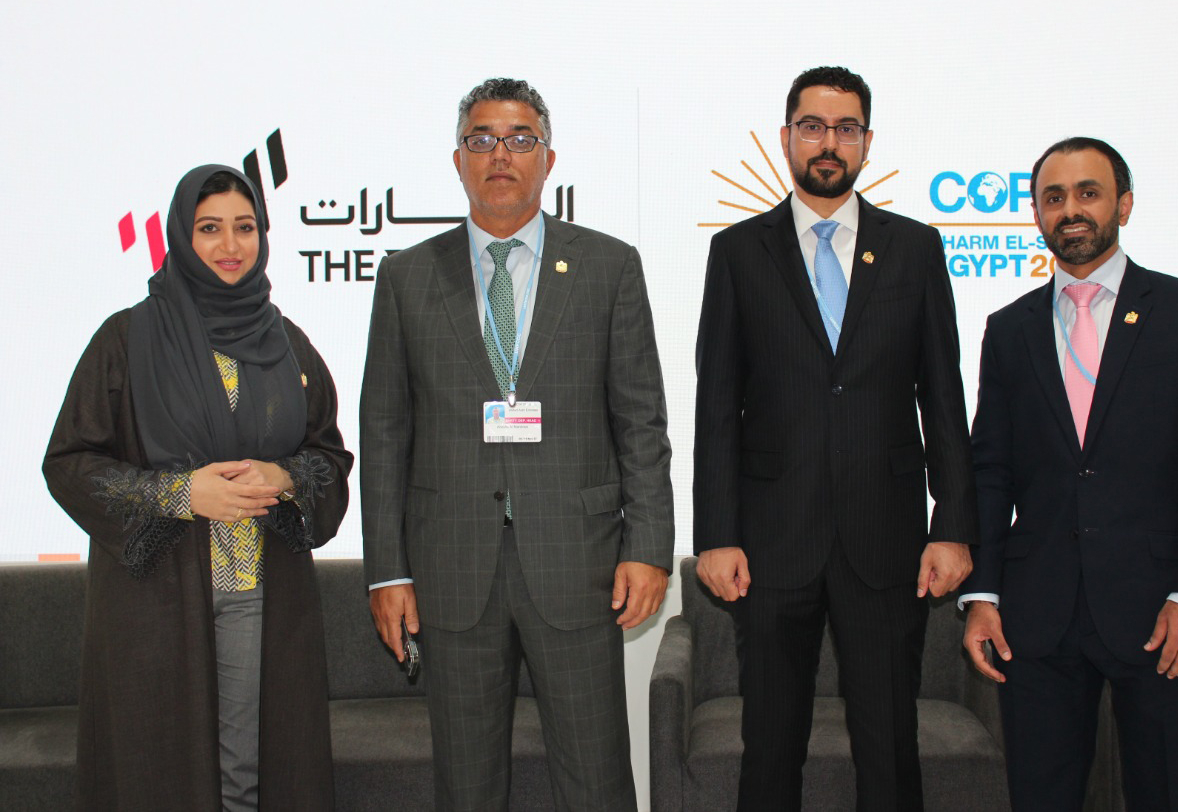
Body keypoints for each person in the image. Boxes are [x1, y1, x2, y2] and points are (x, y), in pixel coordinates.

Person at [361, 78, 674, 811]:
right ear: (458, 160)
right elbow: (384, 432)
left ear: (548, 158)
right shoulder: (407, 276)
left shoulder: (608, 267)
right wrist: (386, 571)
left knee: (596, 780)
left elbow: (640, 421)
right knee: (467, 786)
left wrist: (649, 545)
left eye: (520, 139)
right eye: (482, 139)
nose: (500, 154)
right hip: (450, 567)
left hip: (578, 561)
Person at [693, 66, 979, 812]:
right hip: (771, 543)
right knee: (769, 748)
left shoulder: (915, 248)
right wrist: (716, 534)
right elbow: (717, 405)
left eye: (845, 128)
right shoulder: (738, 252)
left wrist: (953, 525)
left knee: (890, 750)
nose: (829, 142)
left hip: (886, 540)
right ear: (786, 137)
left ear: (867, 142)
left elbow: (942, 397)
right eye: (813, 127)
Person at [44, 165, 352, 811]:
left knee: (248, 774)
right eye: (209, 228)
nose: (230, 245)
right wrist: (182, 494)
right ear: (181, 237)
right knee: (158, 770)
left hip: (259, 594)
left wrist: (284, 477)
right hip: (155, 602)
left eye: (245, 227)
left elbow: (328, 452)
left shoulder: (287, 343)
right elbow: (69, 462)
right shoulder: (126, 339)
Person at [959, 137, 1178, 812]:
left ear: (1123, 204)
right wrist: (983, 593)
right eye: (1053, 197)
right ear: (1036, 214)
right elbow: (990, 472)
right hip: (1036, 615)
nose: (1071, 210)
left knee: (1170, 794)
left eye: (1088, 193)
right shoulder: (1009, 329)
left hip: (1161, 611)